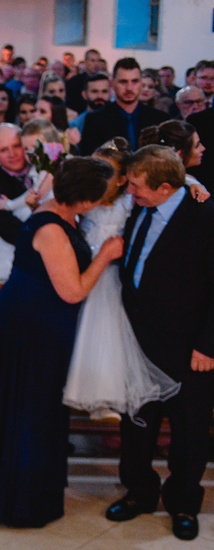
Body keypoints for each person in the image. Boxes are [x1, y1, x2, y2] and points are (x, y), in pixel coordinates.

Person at [0, 157, 123, 527]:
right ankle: (20, 501)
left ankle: (32, 491)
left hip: (38, 318)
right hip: (31, 324)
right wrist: (104, 255)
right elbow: (72, 291)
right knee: (29, 407)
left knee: (39, 406)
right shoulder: (50, 227)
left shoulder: (59, 209)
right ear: (83, 201)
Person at [104, 146, 214, 540]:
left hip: (188, 347)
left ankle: (184, 502)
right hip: (138, 339)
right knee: (138, 424)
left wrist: (208, 345)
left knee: (188, 430)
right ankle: (138, 493)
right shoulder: (140, 209)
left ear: (165, 187)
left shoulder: (204, 216)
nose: (129, 192)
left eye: (135, 186)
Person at [63, 139, 182, 422]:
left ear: (122, 180)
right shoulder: (84, 202)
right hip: (81, 274)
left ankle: (105, 395)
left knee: (107, 334)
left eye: (105, 171)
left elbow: (177, 181)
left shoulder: (130, 202)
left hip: (111, 277)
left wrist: (195, 185)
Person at [0, 123, 46, 281]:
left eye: (16, 146)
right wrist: (45, 240)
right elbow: (7, 228)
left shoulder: (44, 173)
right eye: (4, 150)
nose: (12, 154)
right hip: (6, 258)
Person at [80, 58, 169, 154]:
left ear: (140, 83)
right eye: (123, 82)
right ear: (112, 83)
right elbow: (91, 159)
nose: (129, 88)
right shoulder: (95, 120)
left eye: (134, 81)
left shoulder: (159, 119)